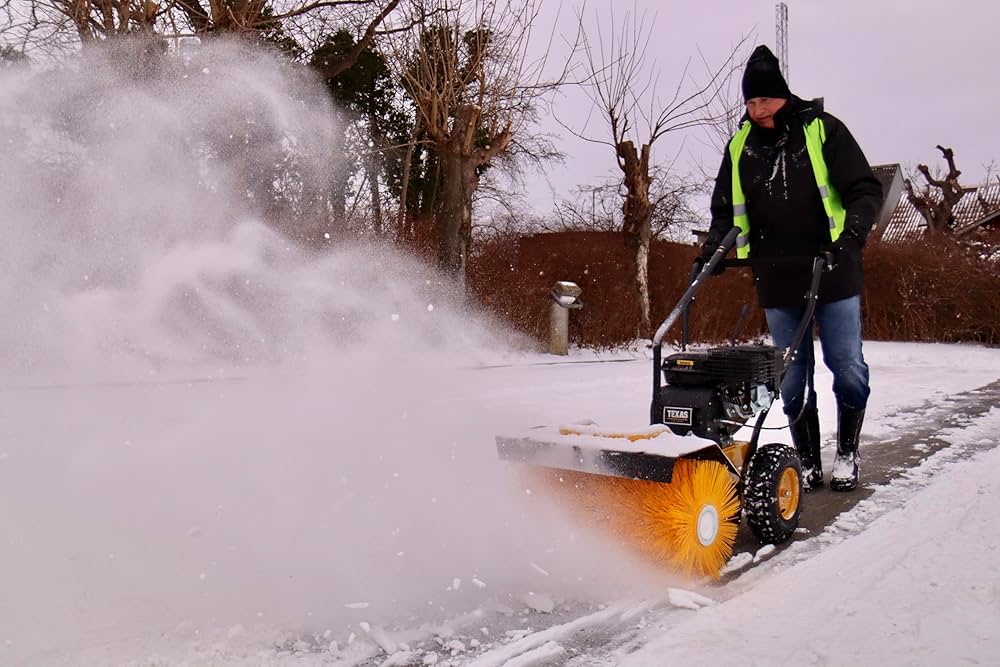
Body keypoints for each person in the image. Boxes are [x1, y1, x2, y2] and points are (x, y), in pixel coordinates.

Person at [697, 45, 883, 492]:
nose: (757, 110)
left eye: (765, 100)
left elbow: (864, 189)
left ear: (783, 96)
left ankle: (848, 452)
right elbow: (725, 211)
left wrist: (852, 235)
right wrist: (714, 251)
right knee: (792, 379)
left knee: (846, 365)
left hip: (832, 269)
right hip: (777, 276)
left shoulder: (822, 130)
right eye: (750, 102)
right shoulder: (740, 146)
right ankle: (807, 462)